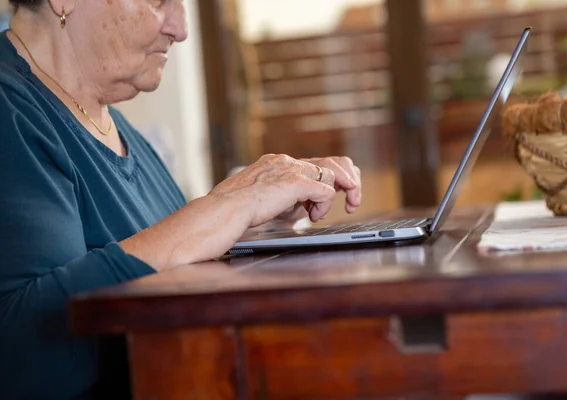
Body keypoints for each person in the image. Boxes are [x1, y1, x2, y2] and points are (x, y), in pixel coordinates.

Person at [0, 0, 362, 398]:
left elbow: (168, 266)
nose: (180, 28)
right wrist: (220, 209)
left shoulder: (114, 126)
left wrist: (254, 220)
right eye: (160, 1)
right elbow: (22, 355)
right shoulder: (10, 110)